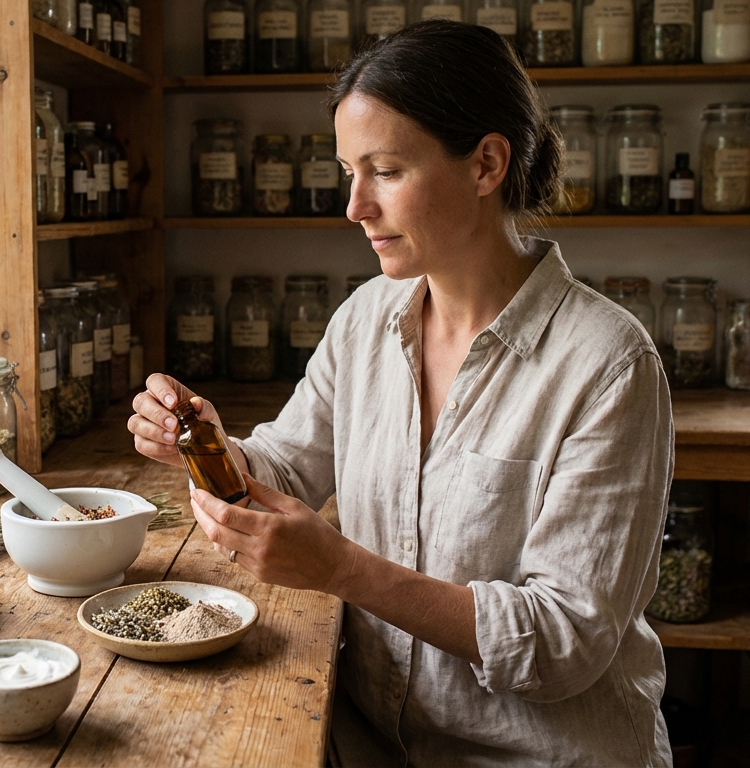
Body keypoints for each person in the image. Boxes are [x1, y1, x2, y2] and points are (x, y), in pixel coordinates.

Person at [128, 20, 674, 768]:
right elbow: (286, 470)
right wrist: (204, 443)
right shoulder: (367, 318)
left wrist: (341, 569)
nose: (355, 206)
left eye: (384, 171)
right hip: (370, 745)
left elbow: (563, 641)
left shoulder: (608, 365)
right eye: (348, 171)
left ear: (486, 165)